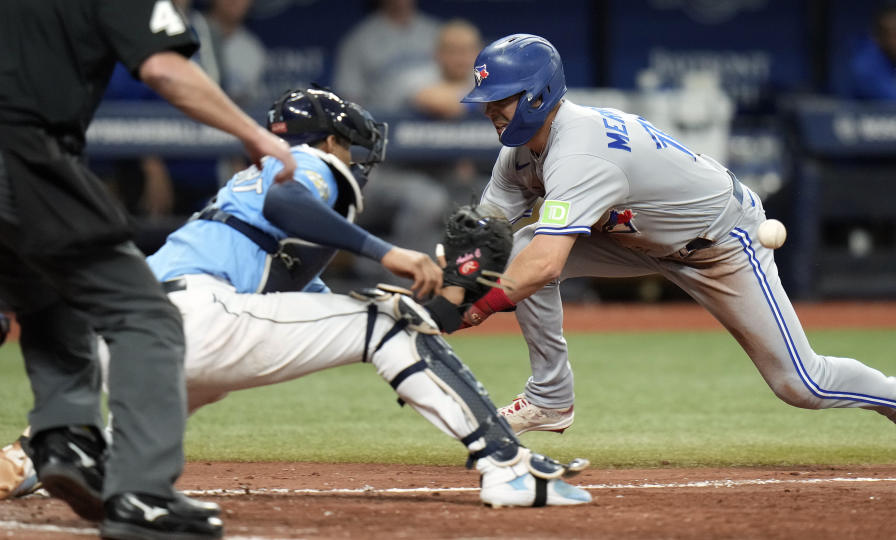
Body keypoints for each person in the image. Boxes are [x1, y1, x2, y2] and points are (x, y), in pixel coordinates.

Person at [3, 87, 593, 508]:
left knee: (181, 402)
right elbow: (286, 204)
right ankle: (509, 469)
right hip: (191, 319)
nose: (356, 163)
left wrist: (447, 293)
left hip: (134, 335)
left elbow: (335, 310)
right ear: (329, 141)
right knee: (383, 328)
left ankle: (36, 455)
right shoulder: (304, 165)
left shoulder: (262, 224)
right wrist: (389, 253)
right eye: (351, 148)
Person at [457, 34, 896, 468]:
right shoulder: (518, 154)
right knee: (522, 245)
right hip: (640, 238)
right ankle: (550, 397)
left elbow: (544, 265)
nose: (489, 111)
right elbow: (491, 234)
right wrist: (445, 277)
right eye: (486, 100)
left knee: (801, 384)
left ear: (539, 94)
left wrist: (470, 308)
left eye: (501, 98)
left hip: (720, 243)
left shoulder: (579, 151)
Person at [0, 1, 296, 539]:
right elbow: (163, 67)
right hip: (23, 155)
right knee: (146, 317)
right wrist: (255, 134)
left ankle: (66, 436)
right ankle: (143, 493)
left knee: (53, 300)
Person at [332, 0, 440, 111]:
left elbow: (456, 85)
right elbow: (350, 96)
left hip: (435, 120)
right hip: (384, 121)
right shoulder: (358, 40)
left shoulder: (437, 33)